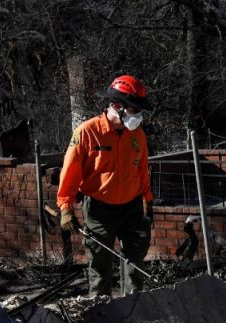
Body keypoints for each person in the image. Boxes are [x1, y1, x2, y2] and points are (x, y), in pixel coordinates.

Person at [57, 75, 154, 296]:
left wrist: (147, 199)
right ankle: (100, 316)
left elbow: (142, 169)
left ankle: (135, 311)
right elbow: (70, 173)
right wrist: (65, 207)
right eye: (134, 110)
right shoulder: (87, 132)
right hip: (100, 210)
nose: (138, 116)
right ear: (117, 106)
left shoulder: (137, 134)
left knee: (135, 265)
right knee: (100, 266)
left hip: (132, 207)